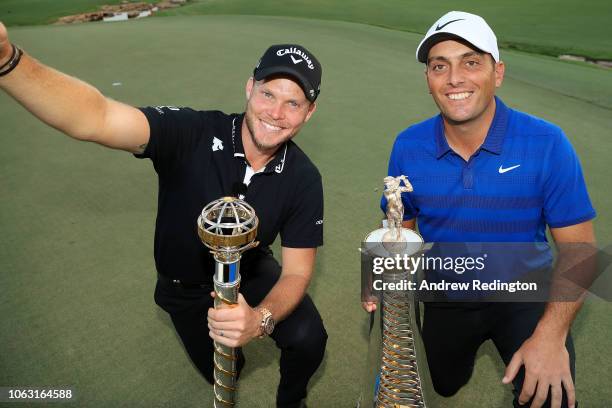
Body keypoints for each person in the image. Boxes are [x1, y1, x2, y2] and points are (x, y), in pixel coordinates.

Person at [0, 21, 327, 408]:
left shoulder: (304, 178)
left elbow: (296, 273)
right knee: (227, 367)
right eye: (268, 93)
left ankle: (291, 402)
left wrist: (260, 319)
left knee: (309, 337)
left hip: (250, 267)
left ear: (309, 112)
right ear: (248, 88)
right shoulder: (191, 132)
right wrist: (7, 61)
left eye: (293, 103)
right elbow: (98, 117)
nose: (276, 112)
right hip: (184, 286)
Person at [364, 11, 596, 408]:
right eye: (440, 66)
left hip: (525, 295)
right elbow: (403, 221)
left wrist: (550, 336)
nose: (454, 78)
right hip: (447, 294)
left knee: (549, 396)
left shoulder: (547, 142)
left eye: (471, 62)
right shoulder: (408, 146)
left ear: (498, 72)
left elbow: (581, 252)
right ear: (429, 80)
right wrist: (385, 274)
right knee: (443, 382)